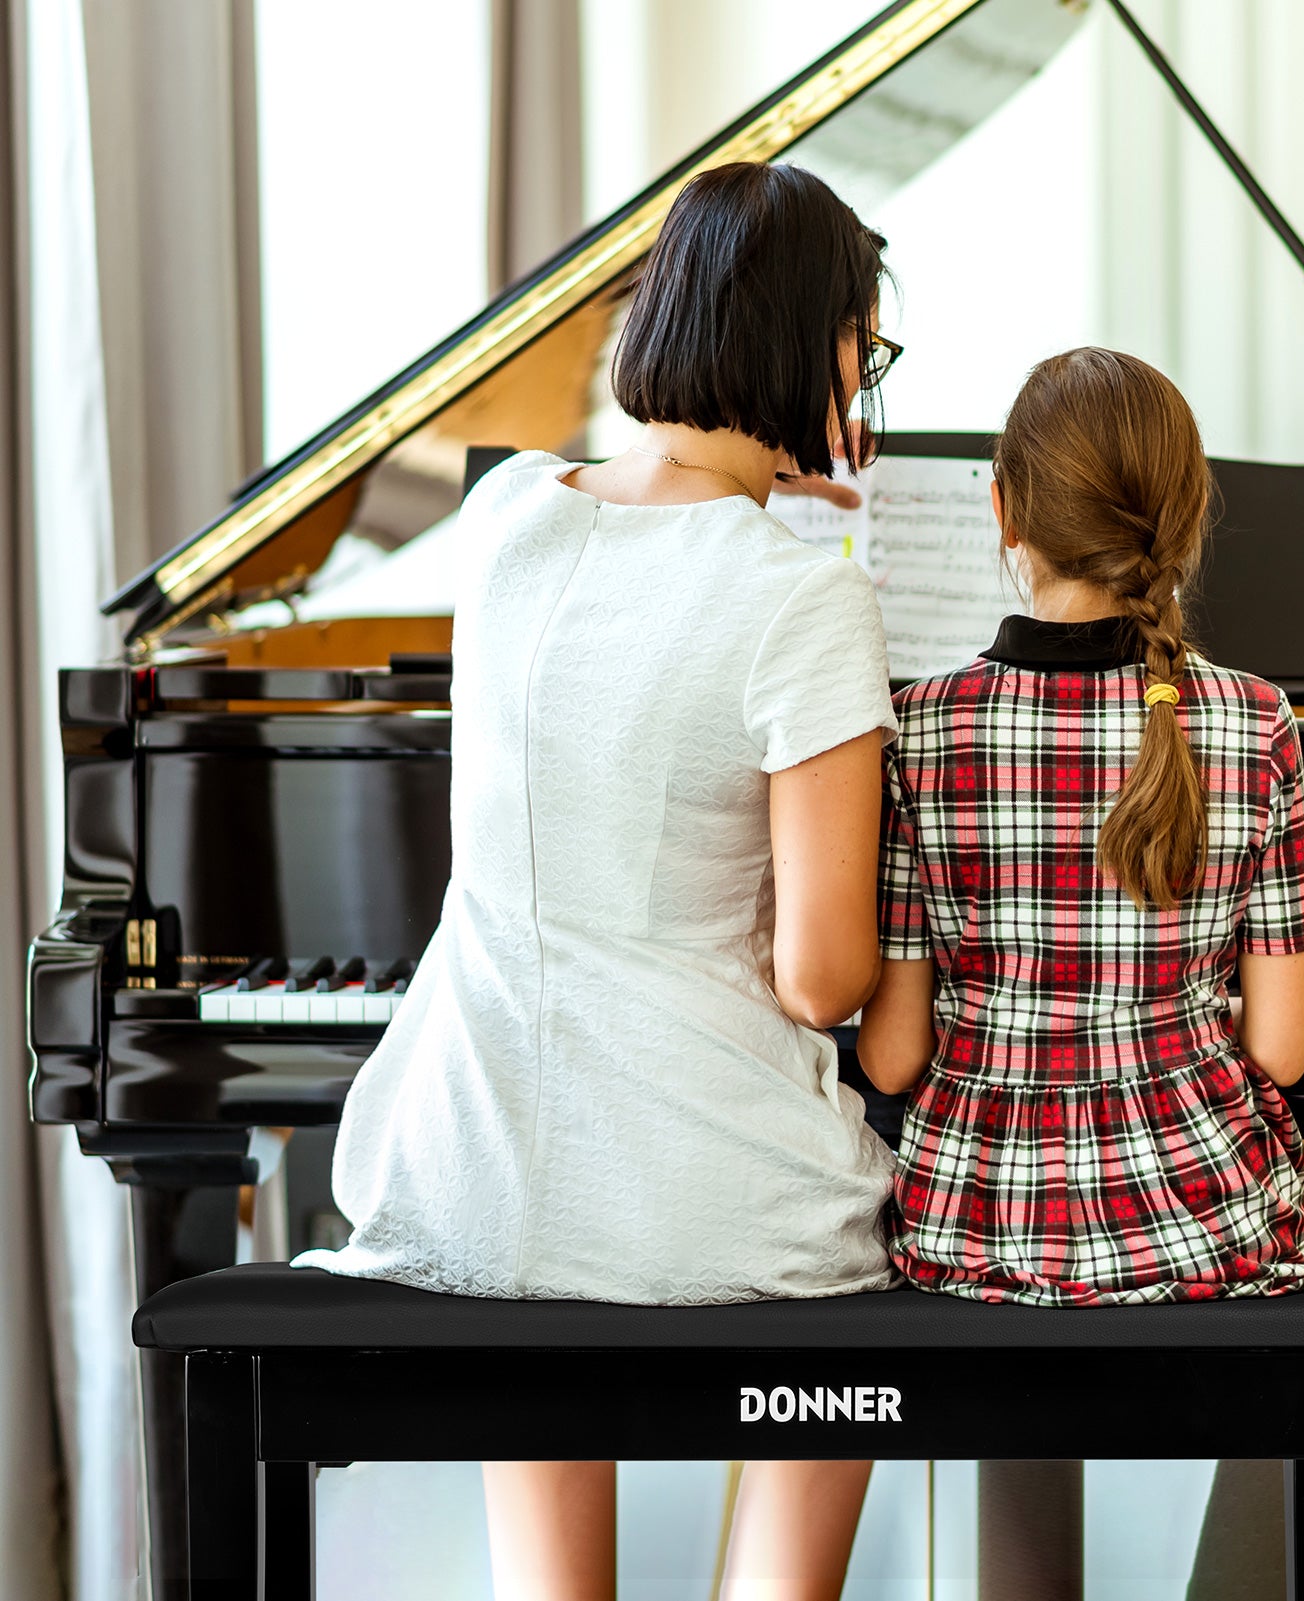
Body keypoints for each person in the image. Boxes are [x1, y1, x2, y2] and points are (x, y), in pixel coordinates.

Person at [296, 161, 903, 1601]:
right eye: (862, 346)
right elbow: (825, 978)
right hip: (690, 1183)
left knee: (545, 1240)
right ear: (811, 343)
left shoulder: (507, 517)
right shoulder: (803, 592)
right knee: (870, 1249)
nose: (864, 379)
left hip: (464, 1160)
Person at [857, 345, 1304, 1308]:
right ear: (1185, 520)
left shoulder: (919, 726)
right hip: (1199, 1215)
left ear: (1002, 510)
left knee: (1019, 1344)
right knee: (1290, 1285)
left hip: (974, 1221)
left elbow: (891, 1056)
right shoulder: (1252, 719)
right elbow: (1280, 1048)